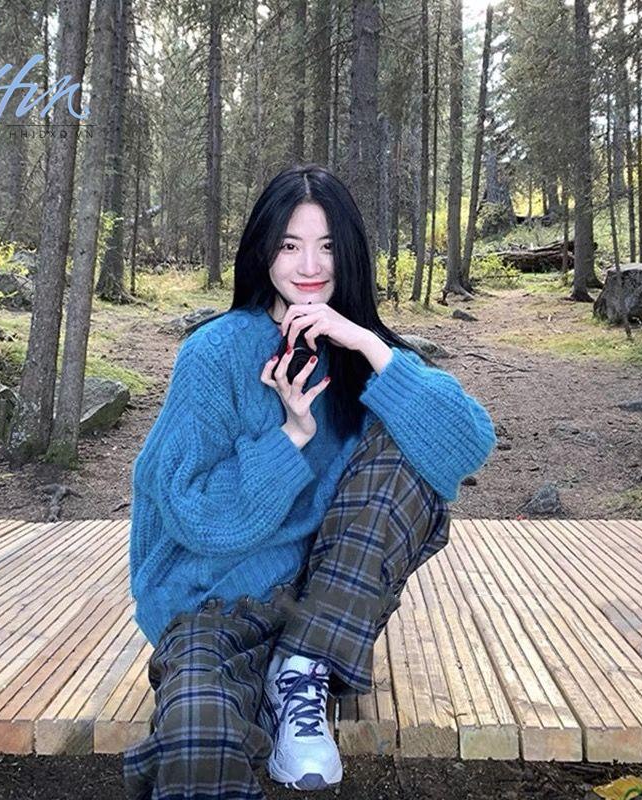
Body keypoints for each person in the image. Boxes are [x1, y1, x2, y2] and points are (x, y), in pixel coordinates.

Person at [123, 164, 497, 799]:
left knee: (410, 448)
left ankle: (302, 671)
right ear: (263, 251)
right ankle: (269, 683)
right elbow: (190, 513)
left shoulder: (360, 353)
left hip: (321, 604)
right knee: (197, 744)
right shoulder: (214, 353)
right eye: (290, 245)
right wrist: (290, 435)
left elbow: (466, 444)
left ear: (348, 253)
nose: (309, 266)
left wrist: (368, 345)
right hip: (213, 607)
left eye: (326, 246)